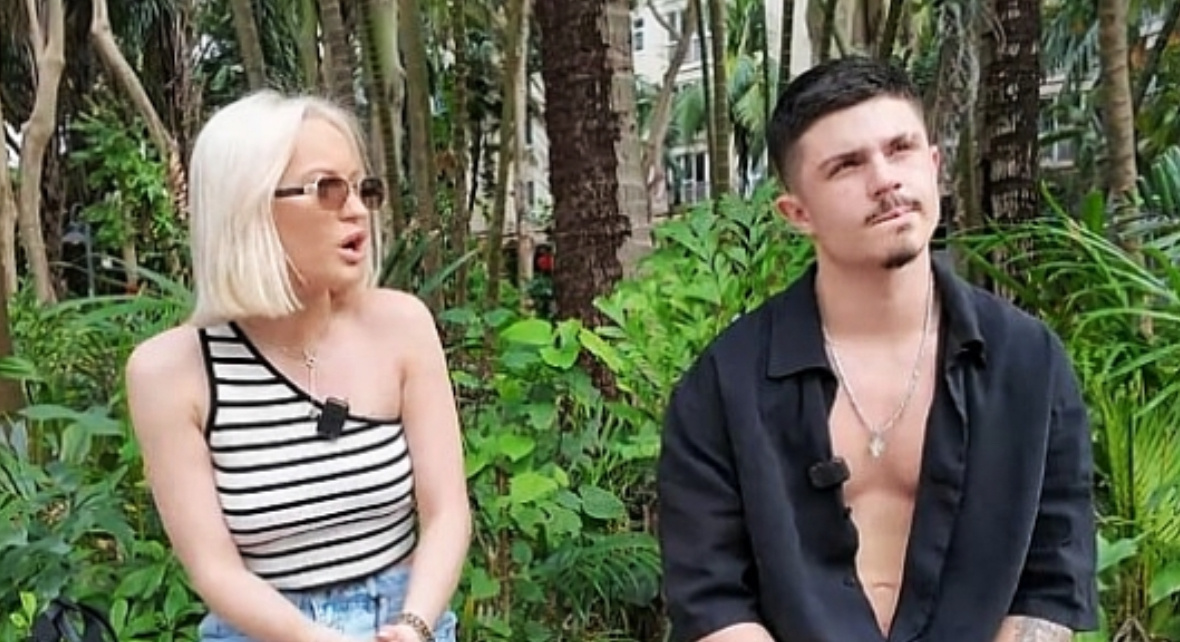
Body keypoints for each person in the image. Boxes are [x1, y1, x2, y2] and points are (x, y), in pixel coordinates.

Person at [656, 57, 1098, 642]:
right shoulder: (724, 385)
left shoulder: (1028, 362)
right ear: (797, 213)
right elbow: (712, 601)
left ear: (934, 165)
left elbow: (1052, 581)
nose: (885, 179)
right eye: (847, 165)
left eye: (901, 149)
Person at [125, 91, 471, 642]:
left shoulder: (401, 326)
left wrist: (414, 625)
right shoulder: (170, 373)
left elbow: (448, 511)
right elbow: (214, 570)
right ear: (248, 204)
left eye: (361, 188)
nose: (356, 210)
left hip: (406, 621)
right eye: (327, 189)